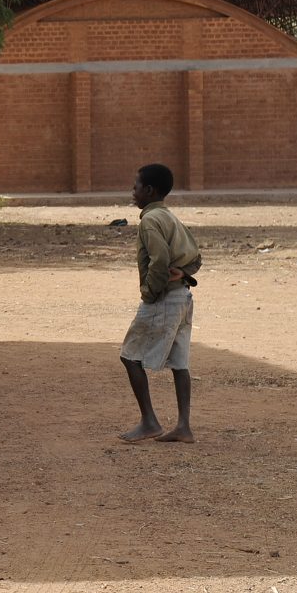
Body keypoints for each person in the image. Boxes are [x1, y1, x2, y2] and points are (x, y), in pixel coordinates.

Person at [118, 162, 200, 444]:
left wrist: (149, 293)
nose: (133, 191)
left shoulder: (150, 221)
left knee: (130, 355)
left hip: (164, 299)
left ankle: (149, 421)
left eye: (136, 186)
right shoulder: (171, 217)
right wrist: (185, 273)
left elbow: (160, 260)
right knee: (179, 362)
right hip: (183, 297)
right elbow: (195, 257)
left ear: (149, 190)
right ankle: (183, 427)